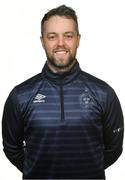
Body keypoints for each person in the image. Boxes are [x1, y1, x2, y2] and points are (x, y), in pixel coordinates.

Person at [2, 5, 124, 180]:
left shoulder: (104, 93)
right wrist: (37, 170)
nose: (61, 43)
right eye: (52, 36)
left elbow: (114, 149)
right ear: (42, 41)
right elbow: (12, 148)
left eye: (68, 36)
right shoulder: (20, 95)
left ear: (78, 40)